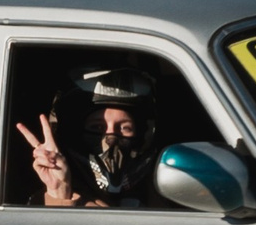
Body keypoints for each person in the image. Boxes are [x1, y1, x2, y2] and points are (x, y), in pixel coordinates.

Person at [16, 67, 160, 207]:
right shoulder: (43, 203)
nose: (111, 139)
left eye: (124, 128)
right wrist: (60, 192)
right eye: (97, 127)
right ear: (74, 132)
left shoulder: (161, 197)